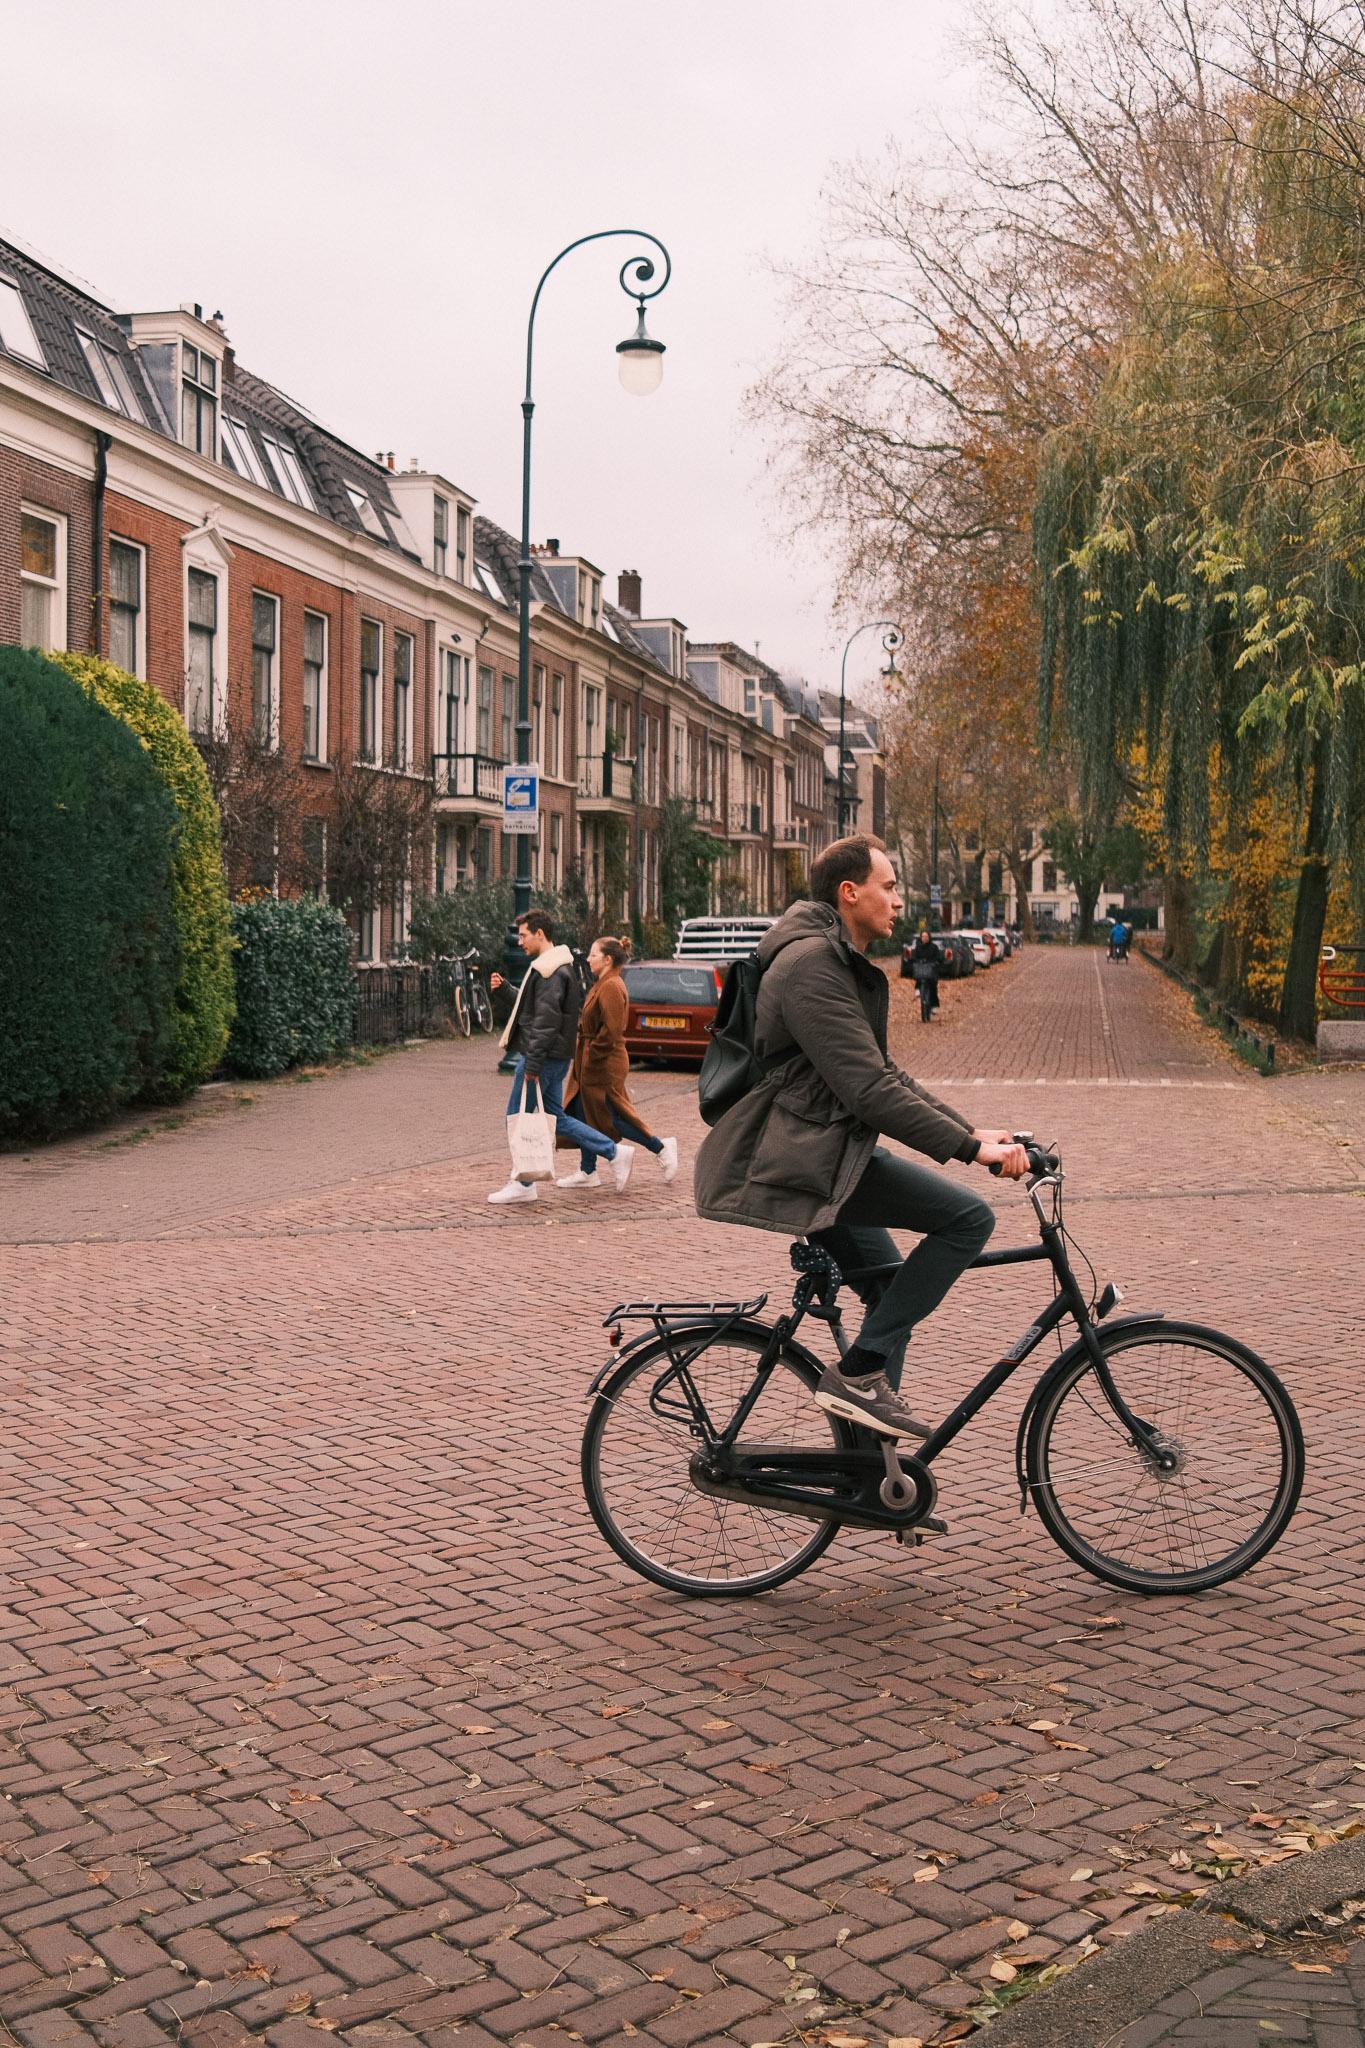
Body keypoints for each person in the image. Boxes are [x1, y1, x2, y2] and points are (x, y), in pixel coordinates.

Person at [693, 834, 1029, 1439]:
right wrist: (972, 1152)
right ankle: (859, 1377)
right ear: (850, 893)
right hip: (811, 1159)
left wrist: (970, 1130)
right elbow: (869, 1090)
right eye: (890, 887)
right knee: (967, 1221)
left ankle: (870, 1470)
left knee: (887, 1298)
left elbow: (884, 1074)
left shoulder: (829, 960)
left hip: (826, 1151)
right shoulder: (811, 968)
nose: (899, 902)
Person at [486, 911, 634, 1206]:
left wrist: (532, 1065)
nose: (520, 941)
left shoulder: (550, 970)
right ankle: (615, 1152)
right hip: (554, 1056)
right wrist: (505, 990)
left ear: (540, 934)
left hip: (541, 1058)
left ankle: (524, 1183)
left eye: (524, 935)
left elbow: (546, 1021)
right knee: (555, 1119)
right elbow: (537, 1009)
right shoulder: (553, 967)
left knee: (517, 1117)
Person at [557, 936, 679, 1188]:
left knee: (610, 1116)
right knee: (582, 1113)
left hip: (603, 1062)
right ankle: (588, 1170)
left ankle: (660, 1146)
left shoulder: (611, 986)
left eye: (593, 954)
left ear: (608, 959)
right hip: (590, 1058)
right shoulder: (603, 983)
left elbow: (611, 1031)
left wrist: (592, 1058)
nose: (588, 959)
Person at [909, 926, 941, 1022]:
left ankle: (933, 1005)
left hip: (931, 970)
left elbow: (938, 957)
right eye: (923, 936)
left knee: (933, 986)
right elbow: (914, 957)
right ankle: (918, 989)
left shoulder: (934, 947)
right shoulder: (918, 947)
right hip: (921, 969)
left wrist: (935, 962)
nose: (924, 938)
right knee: (919, 976)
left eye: (926, 936)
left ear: (929, 937)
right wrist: (915, 961)